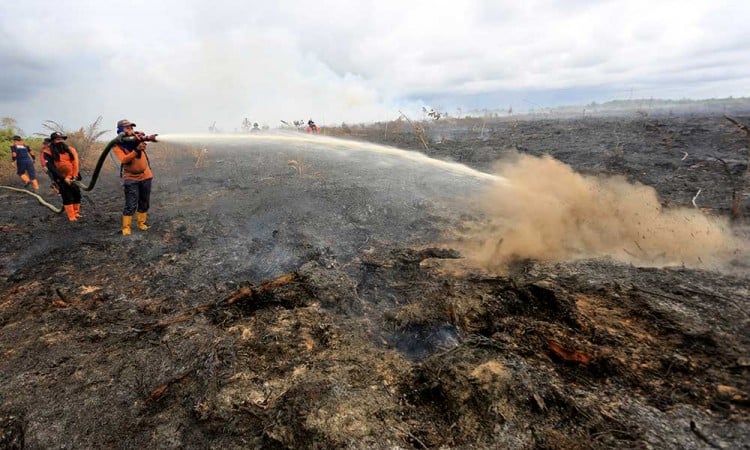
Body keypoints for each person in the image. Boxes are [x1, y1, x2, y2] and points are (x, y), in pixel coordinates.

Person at [111, 119, 157, 236]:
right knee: (131, 204)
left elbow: (143, 140)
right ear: (121, 130)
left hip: (146, 176)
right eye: (127, 128)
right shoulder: (117, 146)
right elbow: (124, 160)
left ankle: (141, 223)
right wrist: (136, 150)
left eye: (132, 128)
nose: (131, 130)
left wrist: (147, 138)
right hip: (131, 178)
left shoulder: (137, 138)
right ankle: (126, 227)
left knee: (144, 201)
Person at [43, 132, 82, 221]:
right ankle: (71, 216)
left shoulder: (70, 149)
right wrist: (63, 178)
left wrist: (74, 176)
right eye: (57, 139)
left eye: (61, 139)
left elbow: (75, 163)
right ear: (53, 141)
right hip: (60, 178)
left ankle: (76, 213)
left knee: (77, 194)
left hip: (73, 176)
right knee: (67, 195)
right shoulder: (48, 152)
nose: (60, 141)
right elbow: (51, 167)